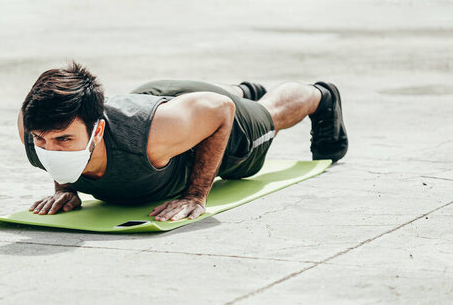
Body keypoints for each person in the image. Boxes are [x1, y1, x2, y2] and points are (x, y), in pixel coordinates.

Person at [17, 61, 347, 222]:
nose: (50, 149)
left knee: (266, 115)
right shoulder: (32, 129)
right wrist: (64, 190)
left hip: (181, 118)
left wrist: (195, 194)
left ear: (98, 131)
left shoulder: (149, 140)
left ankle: (320, 94)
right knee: (201, 105)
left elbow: (220, 110)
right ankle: (240, 88)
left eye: (64, 139)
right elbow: (50, 134)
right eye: (41, 140)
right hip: (167, 105)